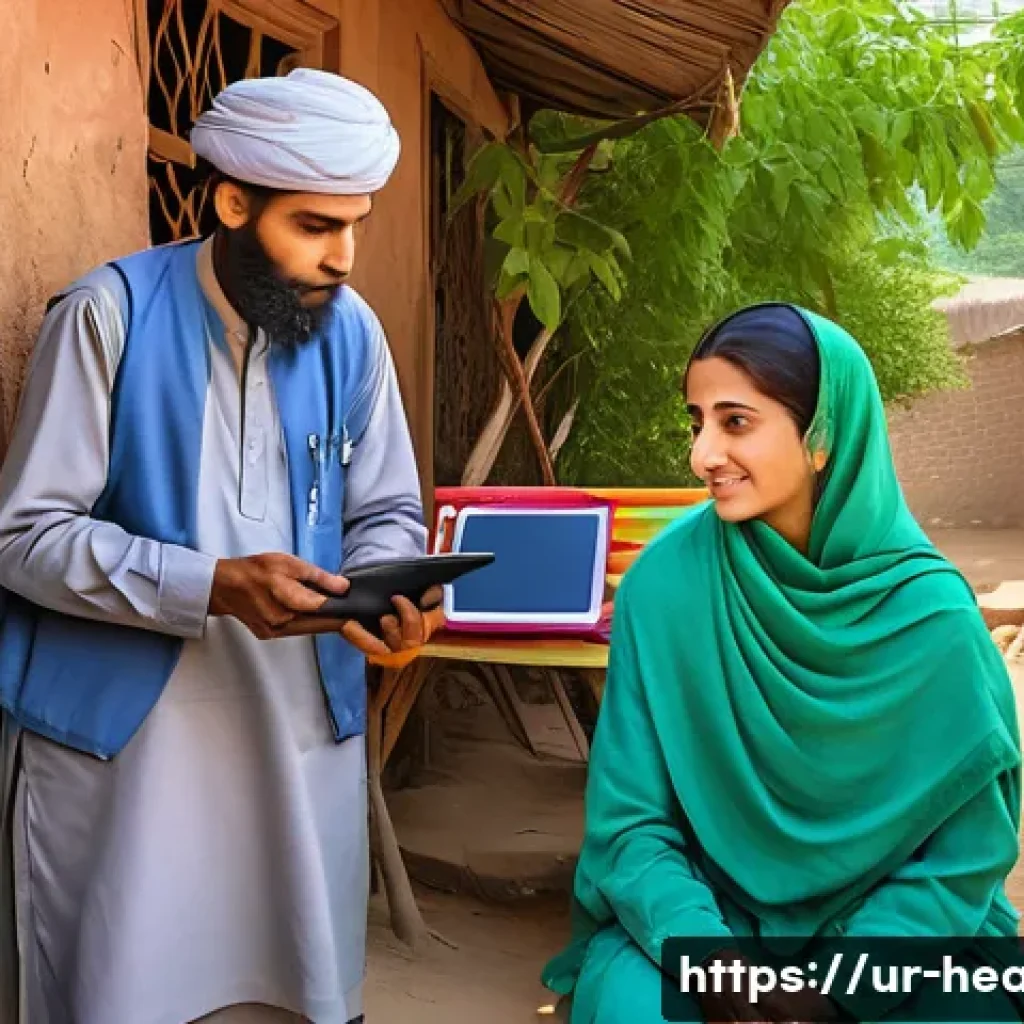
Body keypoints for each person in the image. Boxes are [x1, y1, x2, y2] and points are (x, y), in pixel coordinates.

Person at [0, 69, 442, 1024]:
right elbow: (26, 539)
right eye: (316, 227)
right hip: (128, 756)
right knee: (124, 989)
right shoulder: (106, 316)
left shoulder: (353, 335)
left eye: (355, 224)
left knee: (294, 988)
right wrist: (206, 585)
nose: (343, 257)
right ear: (233, 203)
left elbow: (389, 512)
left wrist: (388, 596)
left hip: (295, 740)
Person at [541, 303, 1023, 1023]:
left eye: (735, 422)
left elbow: (965, 854)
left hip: (893, 937)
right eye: (696, 422)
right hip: (704, 919)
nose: (703, 454)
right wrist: (713, 964)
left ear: (823, 434)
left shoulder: (933, 619)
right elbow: (631, 825)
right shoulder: (666, 587)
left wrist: (841, 992)